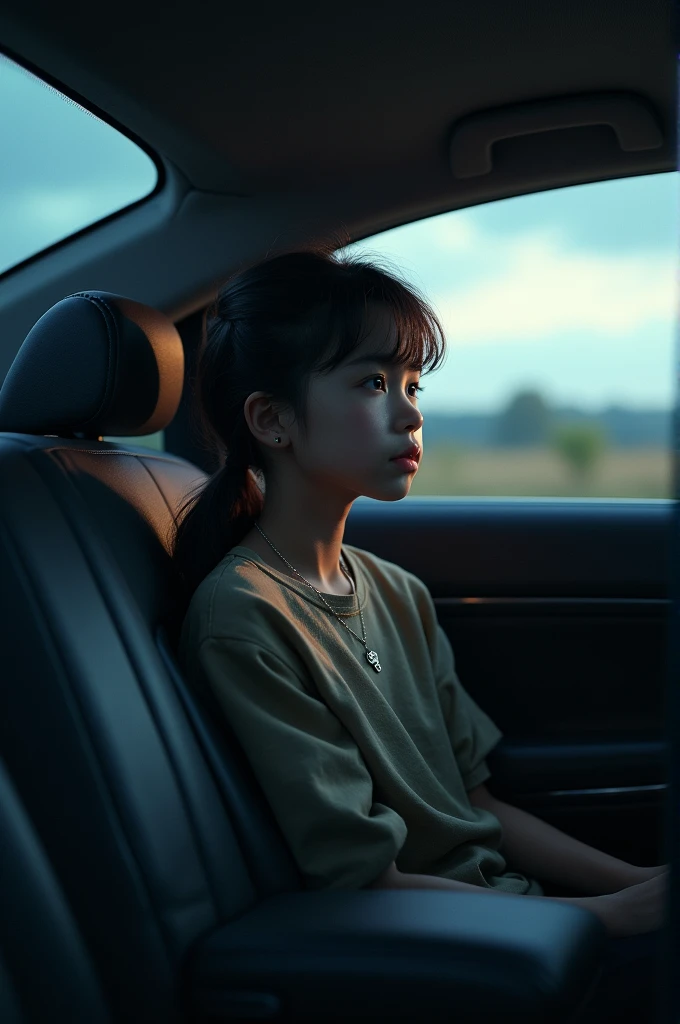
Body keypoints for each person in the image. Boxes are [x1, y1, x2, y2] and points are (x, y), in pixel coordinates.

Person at [171, 247, 667, 1022]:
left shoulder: (396, 592)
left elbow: (478, 809)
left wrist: (635, 881)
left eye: (412, 385)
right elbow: (370, 879)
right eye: (372, 384)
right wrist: (604, 918)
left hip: (515, 918)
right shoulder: (245, 617)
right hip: (451, 955)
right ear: (272, 419)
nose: (411, 413)